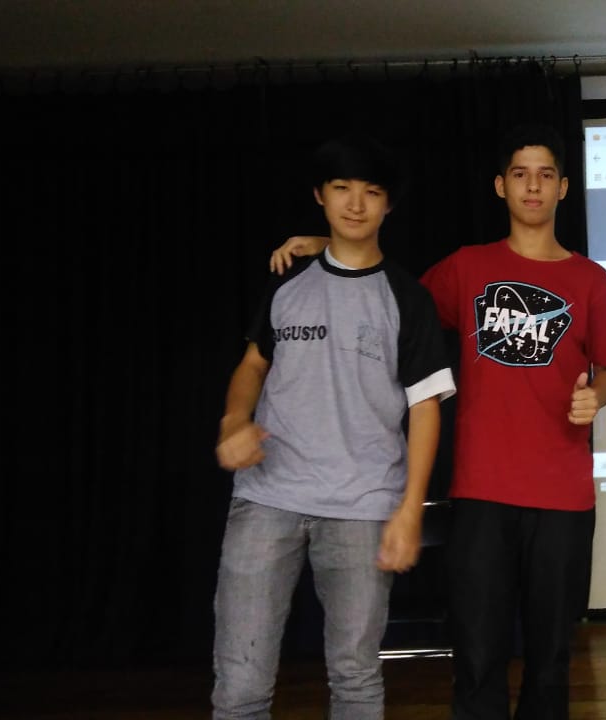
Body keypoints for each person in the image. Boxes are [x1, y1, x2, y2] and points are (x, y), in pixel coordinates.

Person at [270, 123, 606, 719]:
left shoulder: (592, 279)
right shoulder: (468, 267)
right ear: (500, 186)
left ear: (563, 188)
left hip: (563, 496)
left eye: (545, 175)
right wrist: (332, 244)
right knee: (477, 658)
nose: (532, 186)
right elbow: (392, 295)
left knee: (550, 661)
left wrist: (599, 396)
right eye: (520, 174)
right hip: (481, 492)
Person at [214, 132, 456, 720]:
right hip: (267, 497)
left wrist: (409, 510)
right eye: (341, 188)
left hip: (363, 505)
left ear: (388, 205)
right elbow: (253, 363)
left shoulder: (407, 298)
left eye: (371, 192)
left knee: (355, 678)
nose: (355, 203)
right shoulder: (288, 277)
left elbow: (426, 407)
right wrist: (233, 421)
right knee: (240, 684)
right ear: (319, 195)